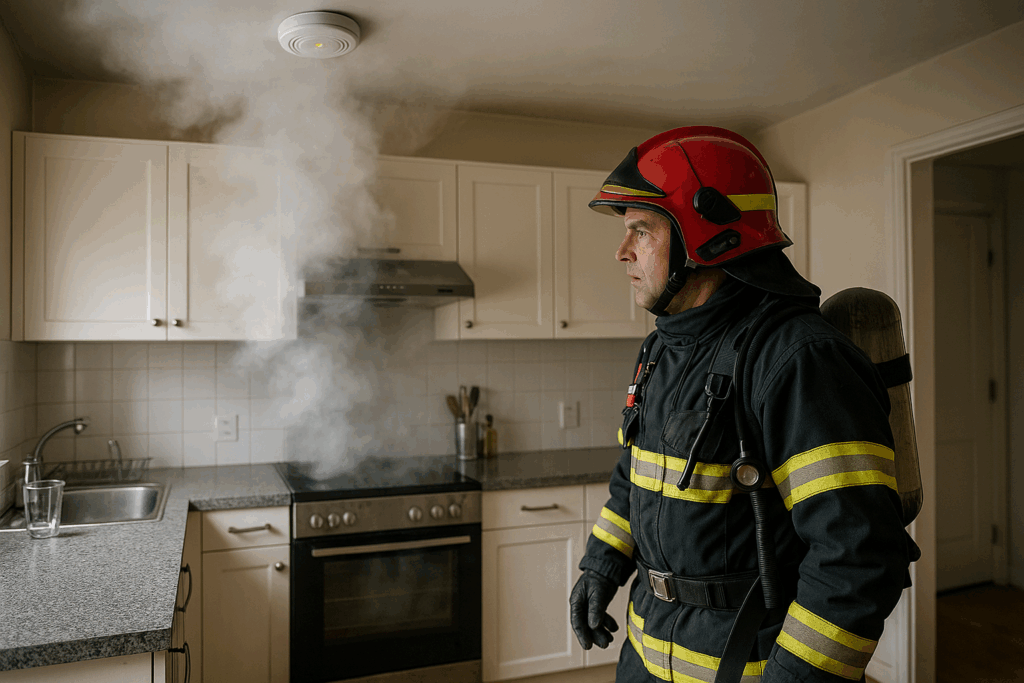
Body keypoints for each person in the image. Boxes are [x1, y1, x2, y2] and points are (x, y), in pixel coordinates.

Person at [569, 126, 916, 682]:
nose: (622, 251)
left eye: (641, 230)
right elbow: (636, 475)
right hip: (644, 659)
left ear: (705, 234)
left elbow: (855, 557)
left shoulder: (800, 360)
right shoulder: (661, 350)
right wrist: (601, 564)